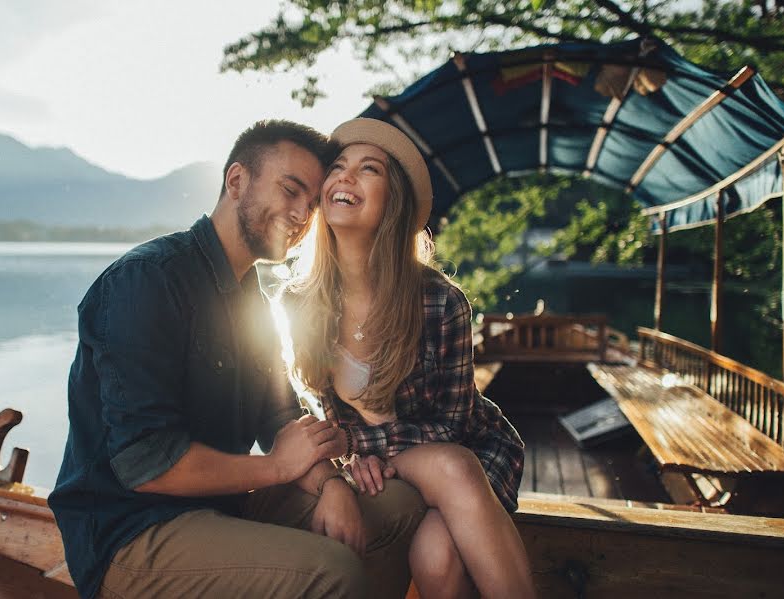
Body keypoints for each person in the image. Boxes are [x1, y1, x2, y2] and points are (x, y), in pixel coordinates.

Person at [48, 120, 426, 599]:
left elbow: (280, 417)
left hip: (222, 507)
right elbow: (148, 465)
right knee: (331, 571)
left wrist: (332, 484)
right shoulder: (145, 281)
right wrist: (277, 469)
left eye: (310, 205)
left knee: (395, 506)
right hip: (128, 535)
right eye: (290, 191)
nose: (301, 216)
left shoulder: (254, 300)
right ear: (236, 181)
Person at [284, 118, 536, 599]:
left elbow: (454, 426)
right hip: (385, 462)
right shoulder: (300, 302)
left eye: (368, 169)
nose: (345, 177)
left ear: (392, 201)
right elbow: (310, 412)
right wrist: (350, 461)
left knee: (446, 507)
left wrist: (365, 449)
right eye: (336, 168)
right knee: (434, 555)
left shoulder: (441, 301)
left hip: (473, 454)